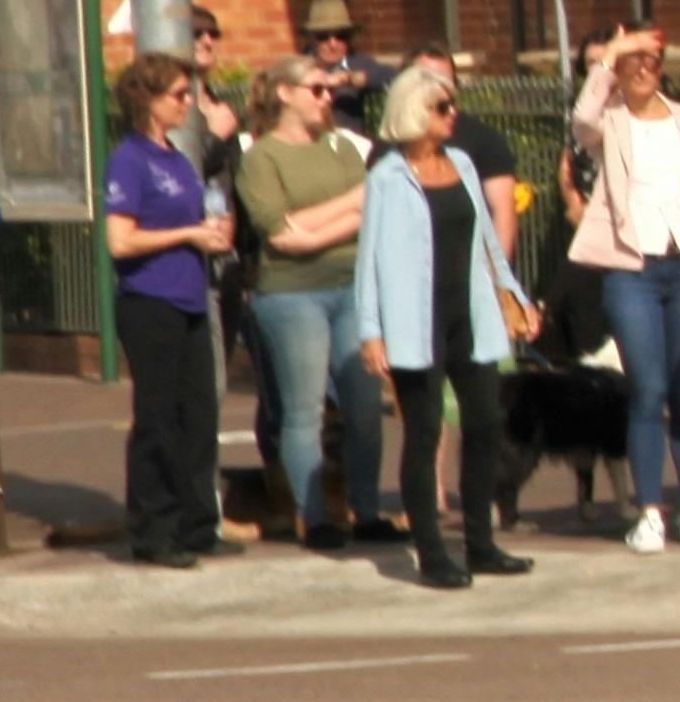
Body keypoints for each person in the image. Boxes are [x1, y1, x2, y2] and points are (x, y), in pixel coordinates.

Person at [354, 61, 539, 587]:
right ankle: (432, 552)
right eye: (442, 107)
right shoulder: (388, 175)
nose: (452, 114)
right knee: (424, 430)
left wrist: (515, 297)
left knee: (484, 424)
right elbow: (367, 260)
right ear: (416, 111)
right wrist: (372, 331)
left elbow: (486, 242)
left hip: (470, 314)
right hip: (416, 321)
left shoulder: (461, 161)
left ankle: (480, 543)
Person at [566, 26, 680, 551]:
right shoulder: (609, 123)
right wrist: (610, 54)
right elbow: (581, 118)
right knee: (648, 389)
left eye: (649, 62)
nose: (640, 70)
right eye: (630, 64)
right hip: (631, 268)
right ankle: (650, 510)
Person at [232, 55, 392, 552]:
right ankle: (314, 516)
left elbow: (373, 207)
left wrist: (315, 222)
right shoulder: (262, 157)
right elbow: (281, 236)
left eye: (329, 90)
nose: (327, 98)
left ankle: (365, 511)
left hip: (353, 289)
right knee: (304, 411)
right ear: (285, 93)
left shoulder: (342, 146)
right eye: (317, 89)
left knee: (365, 407)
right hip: (292, 294)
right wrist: (350, 206)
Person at [102, 56, 229, 570]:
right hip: (150, 301)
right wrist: (187, 234)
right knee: (158, 417)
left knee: (199, 414)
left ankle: (197, 523)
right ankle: (154, 529)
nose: (187, 103)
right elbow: (120, 240)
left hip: (190, 295)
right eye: (178, 94)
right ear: (149, 101)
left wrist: (215, 232)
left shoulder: (176, 157)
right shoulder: (130, 159)